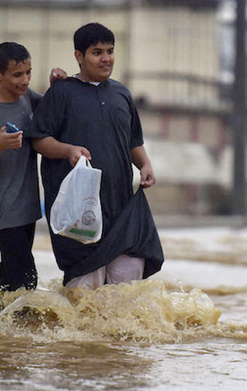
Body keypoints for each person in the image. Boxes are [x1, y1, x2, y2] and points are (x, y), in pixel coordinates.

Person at [29, 22, 164, 290]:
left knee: (126, 299)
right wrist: (68, 150)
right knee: (83, 299)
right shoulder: (62, 92)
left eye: (110, 51)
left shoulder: (122, 94)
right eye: (97, 52)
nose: (106, 58)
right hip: (79, 212)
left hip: (121, 210)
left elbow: (133, 141)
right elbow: (39, 140)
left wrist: (145, 164)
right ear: (79, 57)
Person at [0, 42, 67, 291]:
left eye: (28, 73)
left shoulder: (27, 99)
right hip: (4, 209)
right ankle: (19, 327)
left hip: (28, 207)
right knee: (26, 279)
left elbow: (53, 109)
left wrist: (57, 84)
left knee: (9, 279)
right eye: (17, 75)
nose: (25, 80)